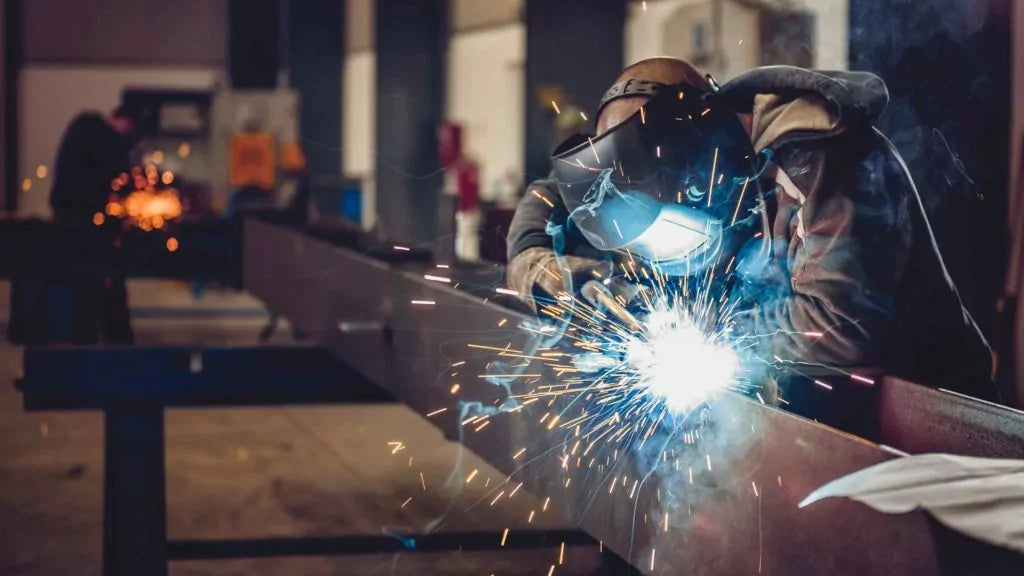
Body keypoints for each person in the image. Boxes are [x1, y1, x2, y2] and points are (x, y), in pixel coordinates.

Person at [506, 58, 996, 400]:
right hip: (818, 413)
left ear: (698, 156)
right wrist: (533, 256)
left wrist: (701, 334)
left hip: (933, 423)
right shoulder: (694, 162)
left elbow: (840, 324)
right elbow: (551, 193)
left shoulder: (820, 156)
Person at [49, 105, 138, 344]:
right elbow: (117, 178)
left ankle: (90, 345)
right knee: (100, 289)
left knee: (89, 293)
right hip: (86, 229)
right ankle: (114, 346)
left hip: (75, 225)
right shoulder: (99, 135)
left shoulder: (87, 129)